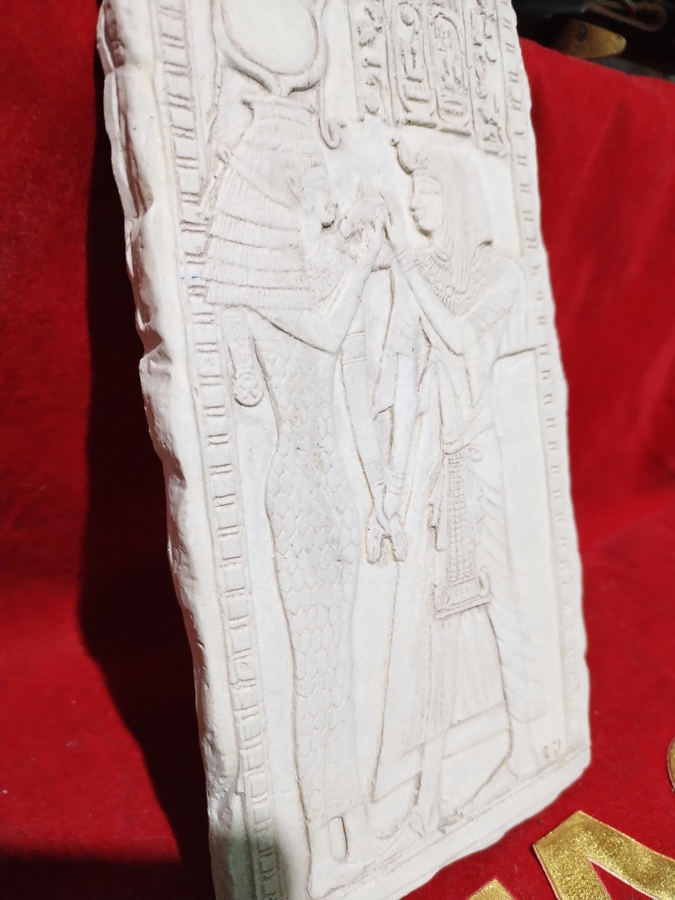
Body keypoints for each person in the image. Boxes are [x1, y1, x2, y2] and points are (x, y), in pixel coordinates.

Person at [204, 97, 388, 897]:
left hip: (334, 484)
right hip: (298, 490)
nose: (329, 194)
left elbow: (352, 385)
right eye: (312, 179)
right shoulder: (260, 287)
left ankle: (349, 818)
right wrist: (356, 264)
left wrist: (383, 493)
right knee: (314, 667)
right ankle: (316, 831)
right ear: (280, 189)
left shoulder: (292, 279)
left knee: (338, 662)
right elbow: (321, 331)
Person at [375, 141, 540, 836]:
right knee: (429, 628)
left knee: (503, 609)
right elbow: (405, 381)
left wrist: (404, 266)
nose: (415, 202)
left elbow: (458, 339)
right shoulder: (420, 271)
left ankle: (526, 744)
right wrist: (391, 490)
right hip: (434, 465)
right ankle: (428, 795)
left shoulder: (500, 274)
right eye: (412, 192)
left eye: (427, 191)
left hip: (481, 467)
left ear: (458, 199)